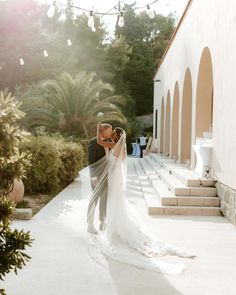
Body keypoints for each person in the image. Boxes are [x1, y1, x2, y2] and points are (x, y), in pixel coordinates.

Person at [86, 123, 196, 275]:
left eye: (112, 133)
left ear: (116, 137)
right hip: (111, 178)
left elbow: (101, 143)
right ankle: (105, 224)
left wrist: (98, 128)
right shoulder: (117, 145)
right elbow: (96, 154)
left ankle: (110, 226)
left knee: (113, 202)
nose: (110, 134)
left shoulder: (114, 145)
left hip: (113, 177)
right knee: (113, 203)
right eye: (108, 131)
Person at [87, 123, 112, 234]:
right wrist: (93, 178)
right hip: (96, 177)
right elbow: (91, 162)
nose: (111, 133)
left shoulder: (107, 142)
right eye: (109, 130)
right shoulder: (93, 143)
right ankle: (90, 224)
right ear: (104, 130)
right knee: (94, 199)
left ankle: (102, 222)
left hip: (106, 176)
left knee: (104, 199)